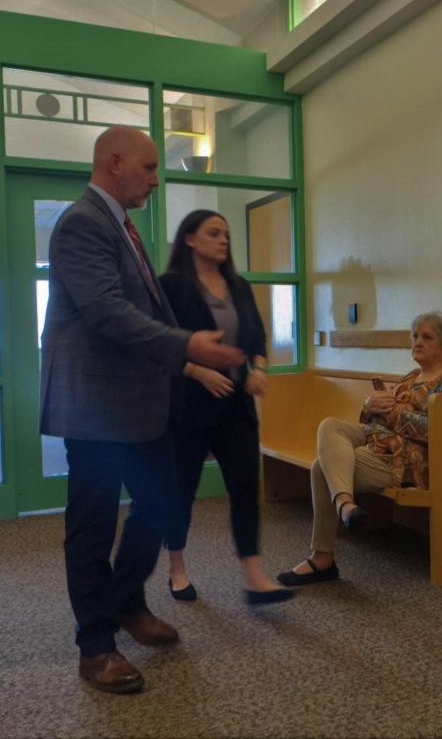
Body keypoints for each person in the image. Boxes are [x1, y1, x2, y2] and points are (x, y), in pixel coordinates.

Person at [40, 126, 246, 695]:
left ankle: (128, 602)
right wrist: (186, 346)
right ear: (114, 162)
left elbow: (133, 310)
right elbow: (105, 311)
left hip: (136, 405)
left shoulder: (122, 226)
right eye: (150, 168)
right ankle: (97, 646)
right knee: (93, 524)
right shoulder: (83, 222)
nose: (157, 180)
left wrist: (182, 358)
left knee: (162, 507)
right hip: (95, 408)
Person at [159, 210, 293, 607]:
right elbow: (160, 346)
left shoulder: (238, 286)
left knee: (245, 487)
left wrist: (259, 369)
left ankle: (254, 575)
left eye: (226, 234)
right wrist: (197, 371)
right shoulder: (173, 286)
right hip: (189, 403)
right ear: (189, 239)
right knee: (182, 490)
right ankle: (177, 568)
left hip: (236, 404)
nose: (223, 240)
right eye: (213, 233)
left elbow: (257, 338)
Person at [276, 312, 442, 586]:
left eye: (427, 337)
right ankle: (345, 506)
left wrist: (393, 412)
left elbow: (435, 431)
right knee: (330, 426)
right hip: (378, 440)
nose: (417, 342)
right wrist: (369, 406)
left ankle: (323, 557)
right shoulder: (410, 377)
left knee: (322, 467)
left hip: (403, 458)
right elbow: (377, 419)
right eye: (415, 336)